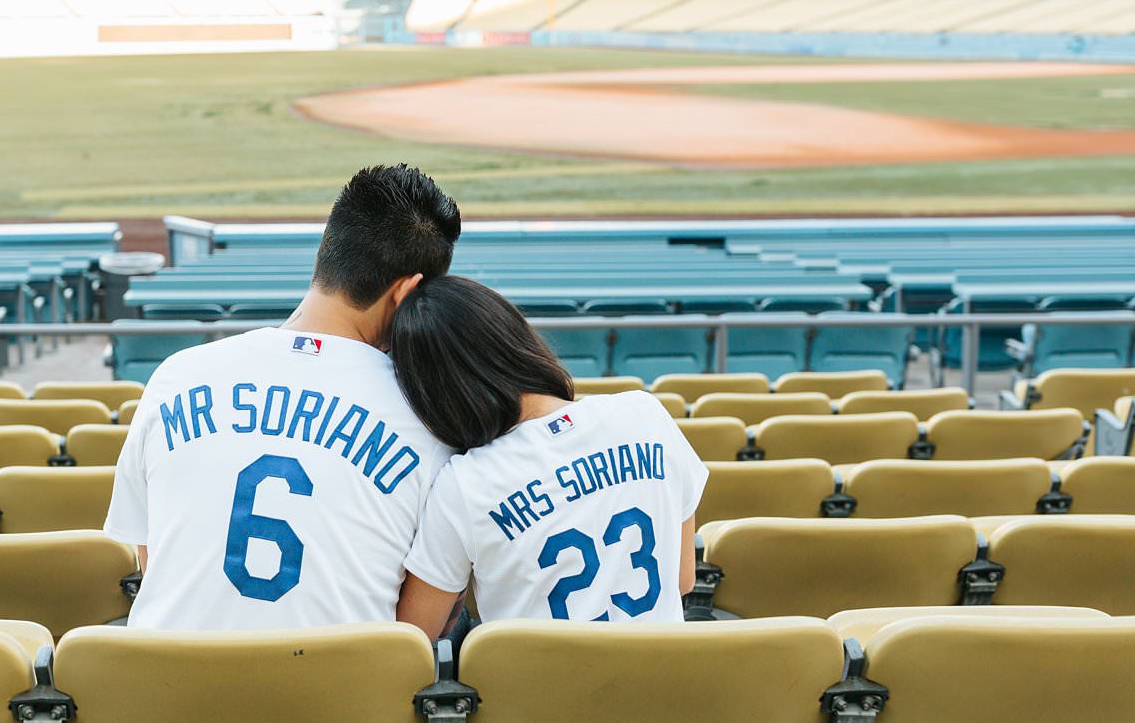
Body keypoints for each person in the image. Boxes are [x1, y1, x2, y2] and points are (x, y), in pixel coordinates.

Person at [104, 164, 462, 630]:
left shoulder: (177, 375)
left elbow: (156, 567)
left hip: (171, 689)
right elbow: (415, 630)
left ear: (328, 255)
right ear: (408, 292)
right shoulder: (427, 411)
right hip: (338, 697)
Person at [387, 275, 704, 637]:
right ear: (513, 335)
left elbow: (413, 636)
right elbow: (681, 579)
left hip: (538, 691)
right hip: (664, 681)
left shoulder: (463, 482)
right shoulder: (645, 412)